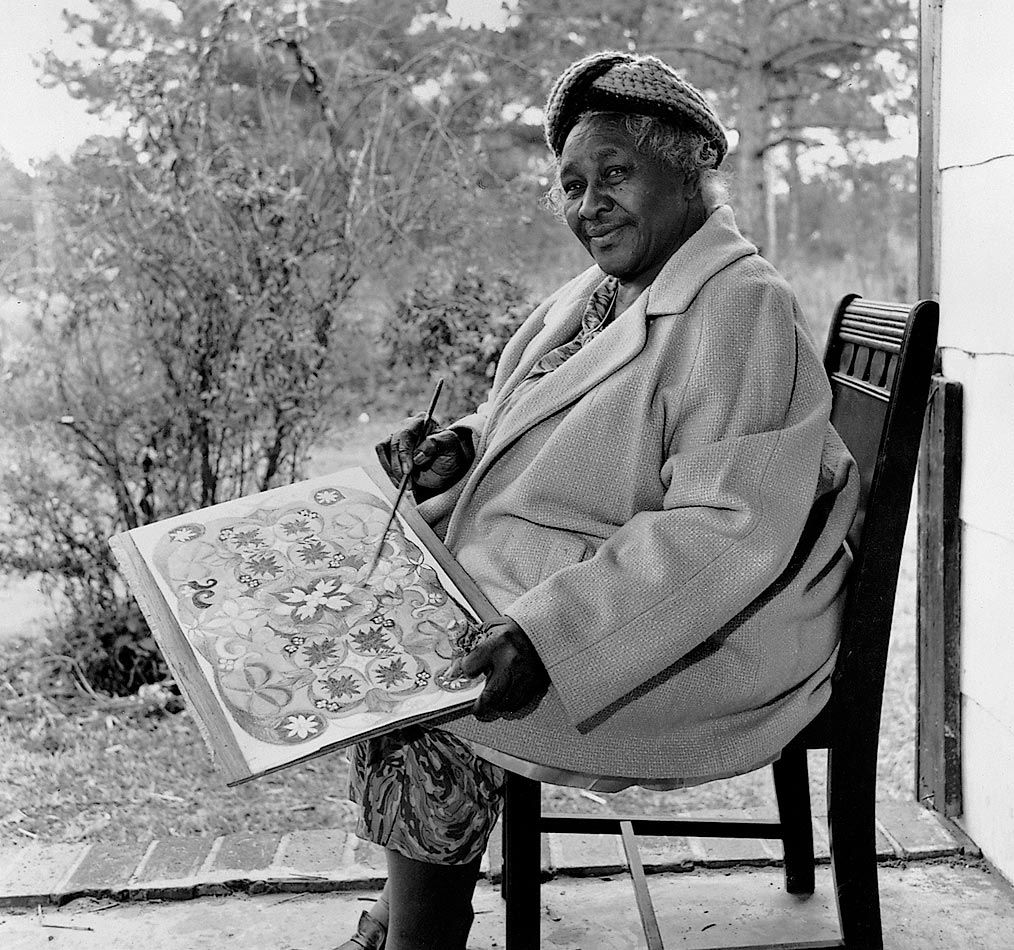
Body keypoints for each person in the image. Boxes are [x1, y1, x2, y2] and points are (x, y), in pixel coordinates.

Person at [335, 50, 858, 950]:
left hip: (703, 634)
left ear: (692, 161)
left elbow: (725, 533)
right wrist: (462, 442)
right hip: (601, 583)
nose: (589, 206)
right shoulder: (608, 289)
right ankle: (398, 912)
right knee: (381, 621)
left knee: (426, 695)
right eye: (573, 185)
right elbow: (541, 408)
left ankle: (416, 936)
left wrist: (551, 636)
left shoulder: (738, 308)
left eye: (615, 174)